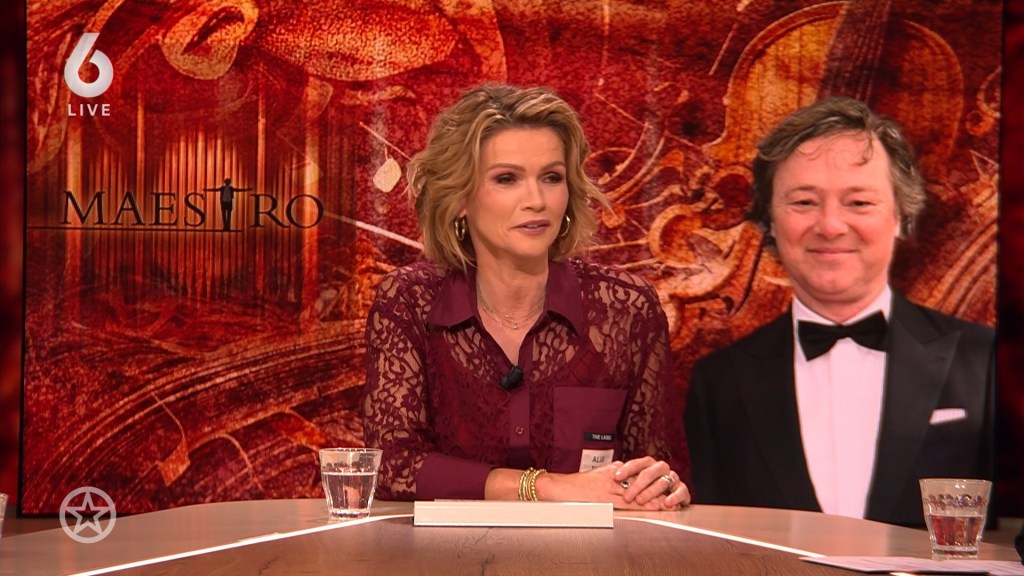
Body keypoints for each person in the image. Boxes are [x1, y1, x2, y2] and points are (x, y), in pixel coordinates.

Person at [362, 84, 690, 509]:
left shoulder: (626, 309)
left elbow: (659, 467)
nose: (536, 201)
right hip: (444, 550)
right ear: (459, 198)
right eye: (507, 179)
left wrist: (662, 488)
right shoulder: (409, 302)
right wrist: (547, 487)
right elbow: (392, 466)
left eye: (552, 177)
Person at [684, 96, 995, 526]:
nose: (830, 226)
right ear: (770, 218)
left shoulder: (988, 361)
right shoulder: (718, 383)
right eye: (804, 202)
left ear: (900, 215)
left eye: (859, 202)